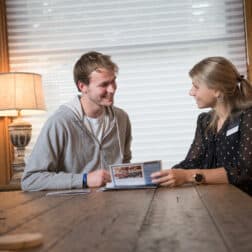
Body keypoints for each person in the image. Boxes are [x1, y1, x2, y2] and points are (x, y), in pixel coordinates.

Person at [21, 51, 132, 191]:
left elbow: (124, 164)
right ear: (82, 86)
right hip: (71, 209)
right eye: (104, 84)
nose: (112, 89)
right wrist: (84, 179)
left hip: (116, 206)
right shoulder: (59, 122)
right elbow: (30, 180)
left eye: (113, 81)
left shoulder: (122, 118)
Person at [151, 56, 252, 195]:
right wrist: (164, 176)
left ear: (217, 90)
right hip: (215, 202)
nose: (191, 92)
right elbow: (192, 163)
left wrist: (187, 176)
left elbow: (245, 171)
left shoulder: (248, 117)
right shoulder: (204, 121)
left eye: (196, 86)